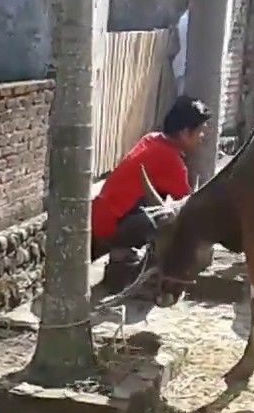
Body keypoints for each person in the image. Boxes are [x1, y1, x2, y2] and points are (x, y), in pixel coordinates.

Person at [90, 95, 210, 280]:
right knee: (172, 222)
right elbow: (188, 208)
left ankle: (123, 254)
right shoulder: (172, 162)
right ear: (185, 133)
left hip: (101, 218)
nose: (203, 137)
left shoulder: (152, 139)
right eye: (200, 131)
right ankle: (128, 258)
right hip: (112, 228)